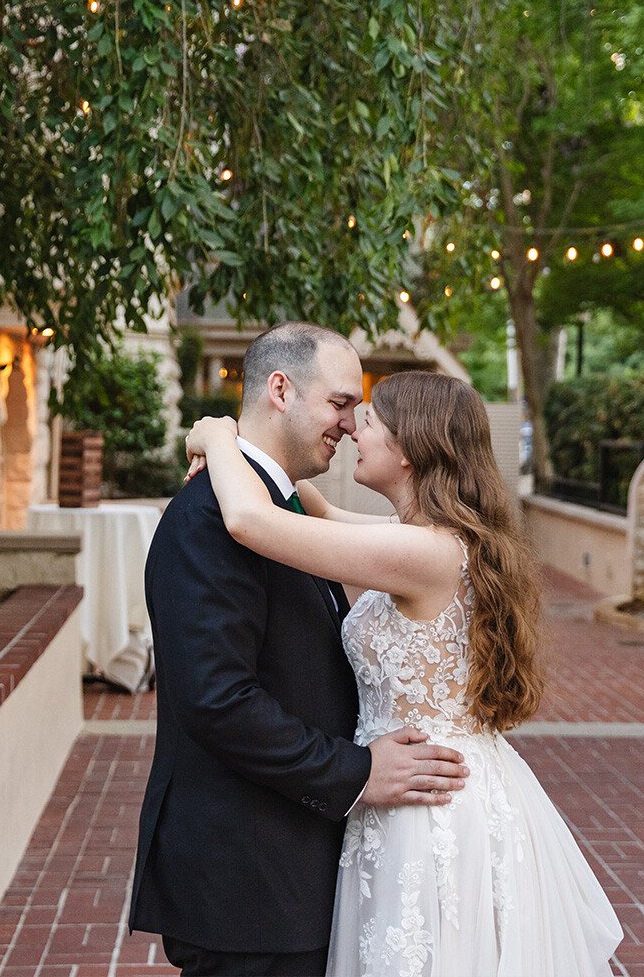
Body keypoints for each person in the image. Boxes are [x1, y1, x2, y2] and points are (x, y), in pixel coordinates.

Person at [185, 368, 623, 977]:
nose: (353, 433)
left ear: (411, 449)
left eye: (370, 424)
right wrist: (257, 453)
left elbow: (250, 523)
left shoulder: (423, 553)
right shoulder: (427, 537)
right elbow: (320, 510)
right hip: (424, 781)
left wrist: (216, 435)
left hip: (426, 803)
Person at [129, 323, 470, 977]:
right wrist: (355, 771)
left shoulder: (278, 509)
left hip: (293, 869)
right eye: (341, 404)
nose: (349, 425)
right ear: (280, 390)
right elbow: (217, 701)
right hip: (249, 880)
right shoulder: (209, 519)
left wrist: (216, 435)